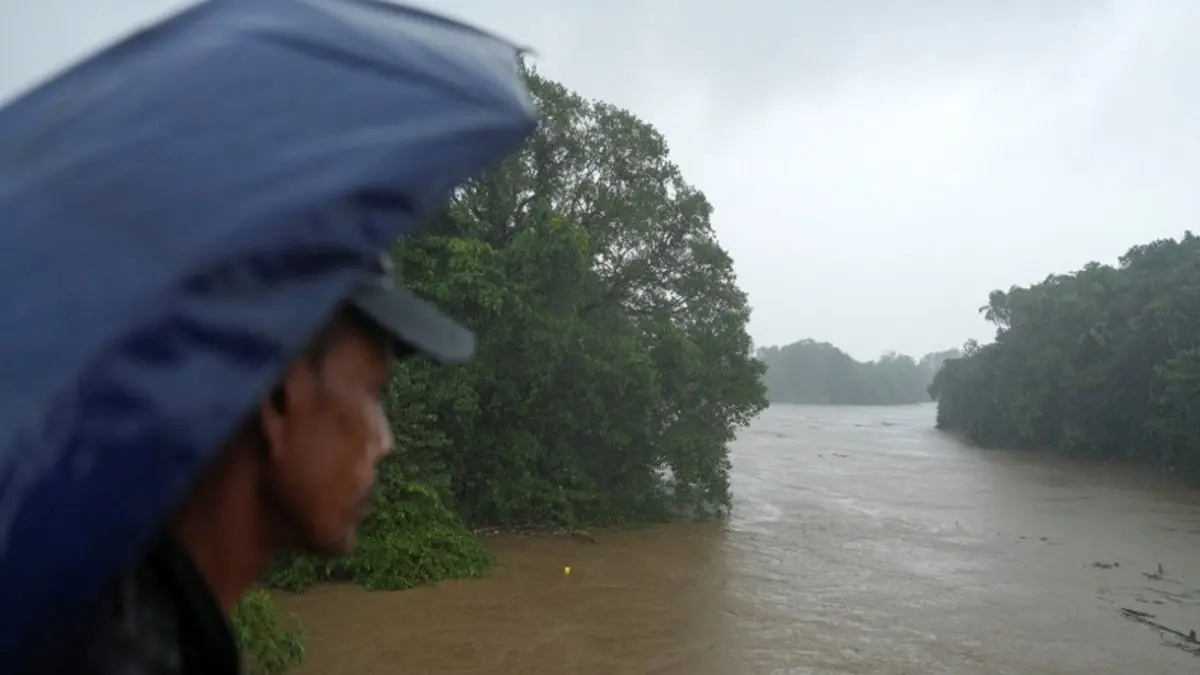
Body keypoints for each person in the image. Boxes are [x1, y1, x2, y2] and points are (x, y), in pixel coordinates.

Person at [66, 252, 476, 674]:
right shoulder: (122, 656)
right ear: (279, 403)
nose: (384, 442)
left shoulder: (119, 611)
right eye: (369, 394)